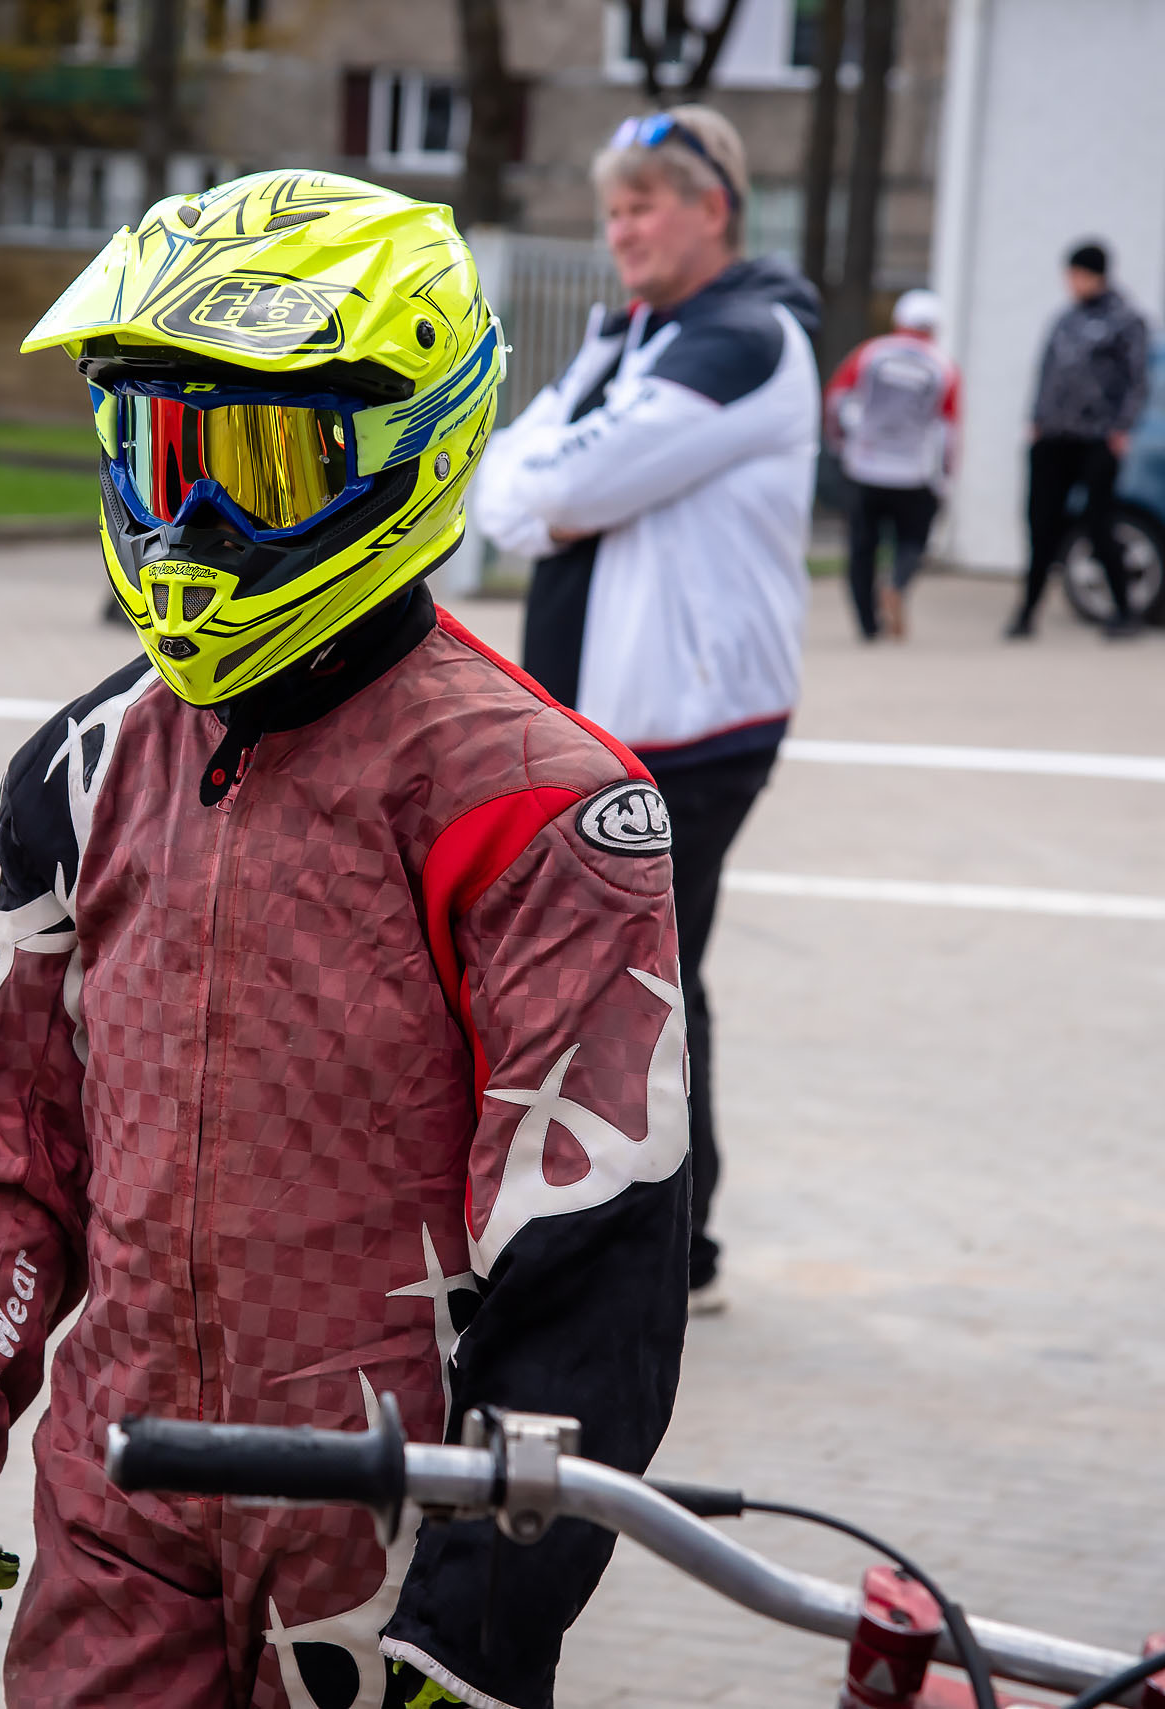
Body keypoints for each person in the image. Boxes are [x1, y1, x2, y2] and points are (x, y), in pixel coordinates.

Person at [0, 170, 692, 1709]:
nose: (189, 519)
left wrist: (484, 1611)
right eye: (156, 452)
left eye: (253, 459)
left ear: (413, 444)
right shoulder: (82, 765)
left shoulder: (540, 806)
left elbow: (591, 1247)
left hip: (389, 1517)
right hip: (124, 1481)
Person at [469, 105, 820, 1316]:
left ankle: (671, 1244)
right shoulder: (634, 332)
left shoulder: (739, 338)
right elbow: (507, 488)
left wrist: (550, 494)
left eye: (645, 205)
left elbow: (560, 479)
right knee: (634, 980)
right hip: (613, 720)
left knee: (644, 985)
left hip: (690, 727)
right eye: (610, 208)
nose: (620, 229)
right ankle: (655, 1231)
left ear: (712, 207)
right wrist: (548, 495)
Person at [1014, 239, 1150, 640]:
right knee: (1041, 525)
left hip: (1096, 439)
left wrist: (1121, 428)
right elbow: (1046, 371)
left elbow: (1138, 382)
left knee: (1098, 523)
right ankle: (1026, 614)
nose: (1070, 282)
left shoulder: (1126, 321)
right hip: (1054, 437)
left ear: (1096, 275)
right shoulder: (1064, 319)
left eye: (1076, 274)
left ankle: (1124, 610)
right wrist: (1036, 421)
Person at [824, 287, 960, 641]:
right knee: (914, 540)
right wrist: (945, 475)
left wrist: (842, 444)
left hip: (864, 467)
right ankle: (897, 583)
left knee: (861, 549)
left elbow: (837, 401)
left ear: (898, 321)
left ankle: (868, 626)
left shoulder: (869, 354)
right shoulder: (942, 366)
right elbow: (948, 430)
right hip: (913, 472)